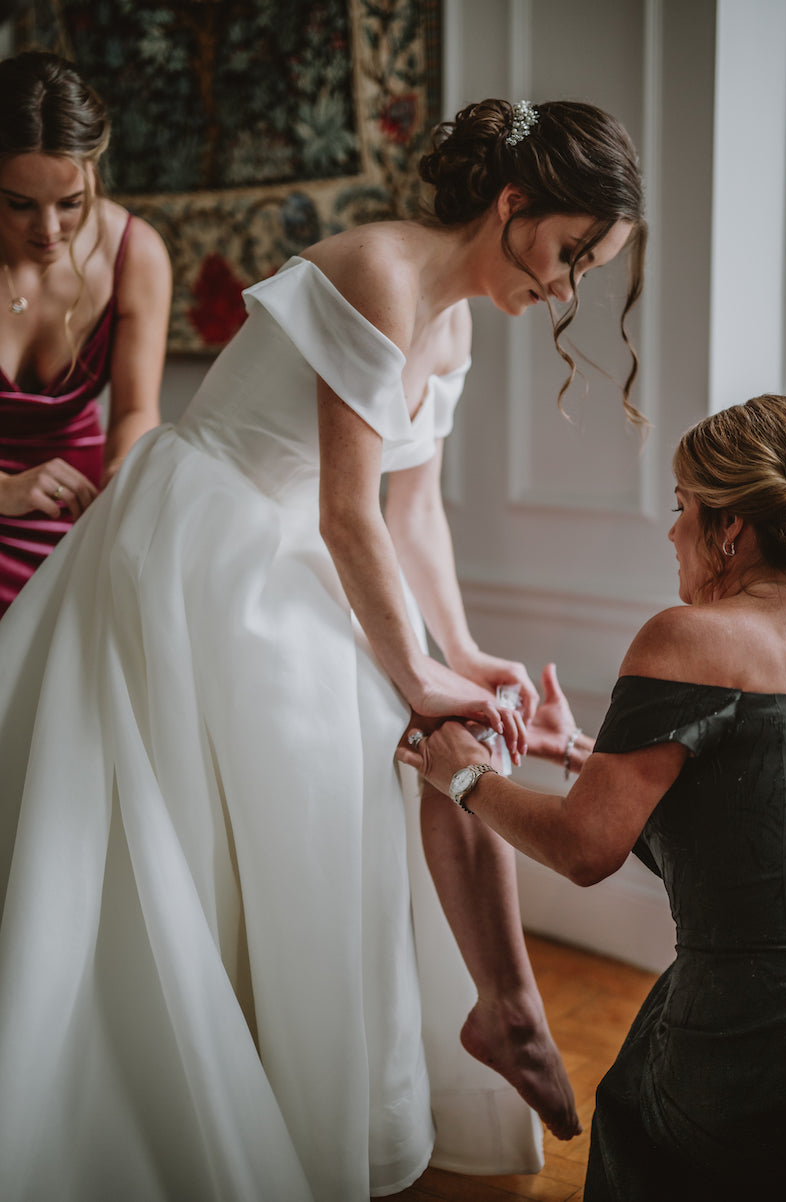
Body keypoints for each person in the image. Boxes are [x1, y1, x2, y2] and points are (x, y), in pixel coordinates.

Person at [0, 98, 644, 1201]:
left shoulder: (456, 323)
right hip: (207, 537)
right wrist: (416, 670)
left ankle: (495, 1011)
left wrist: (464, 651)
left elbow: (414, 516)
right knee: (341, 751)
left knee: (431, 729)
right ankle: (469, 1016)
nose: (566, 287)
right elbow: (350, 512)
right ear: (512, 201)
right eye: (570, 251)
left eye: (590, 268)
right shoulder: (378, 272)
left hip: (291, 550)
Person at [398, 391, 786, 1201]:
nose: (670, 530)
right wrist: (585, 753)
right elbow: (752, 833)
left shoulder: (692, 637)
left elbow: (585, 853)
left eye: (683, 507)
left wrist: (464, 773)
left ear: (732, 530)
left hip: (741, 1046)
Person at [0, 50, 171, 616]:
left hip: (75, 508)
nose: (48, 231)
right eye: (19, 205)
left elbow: (134, 411)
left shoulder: (136, 254)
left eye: (70, 203)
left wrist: (122, 480)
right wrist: (6, 489)